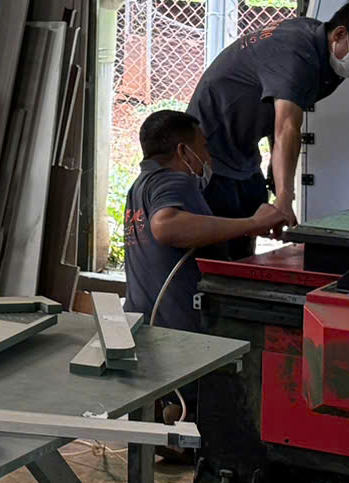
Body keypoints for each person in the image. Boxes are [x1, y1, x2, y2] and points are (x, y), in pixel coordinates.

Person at [185, 0, 349, 253]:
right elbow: (287, 126)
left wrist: (278, 180)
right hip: (205, 152)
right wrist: (285, 198)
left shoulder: (326, 58)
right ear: (340, 34)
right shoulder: (297, 52)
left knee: (248, 229)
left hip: (243, 153)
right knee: (216, 251)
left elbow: (276, 113)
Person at [122, 109, 296, 330]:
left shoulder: (139, 187)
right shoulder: (175, 181)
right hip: (176, 331)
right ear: (184, 152)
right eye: (204, 147)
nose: (208, 157)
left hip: (143, 321)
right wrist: (253, 223)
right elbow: (165, 226)